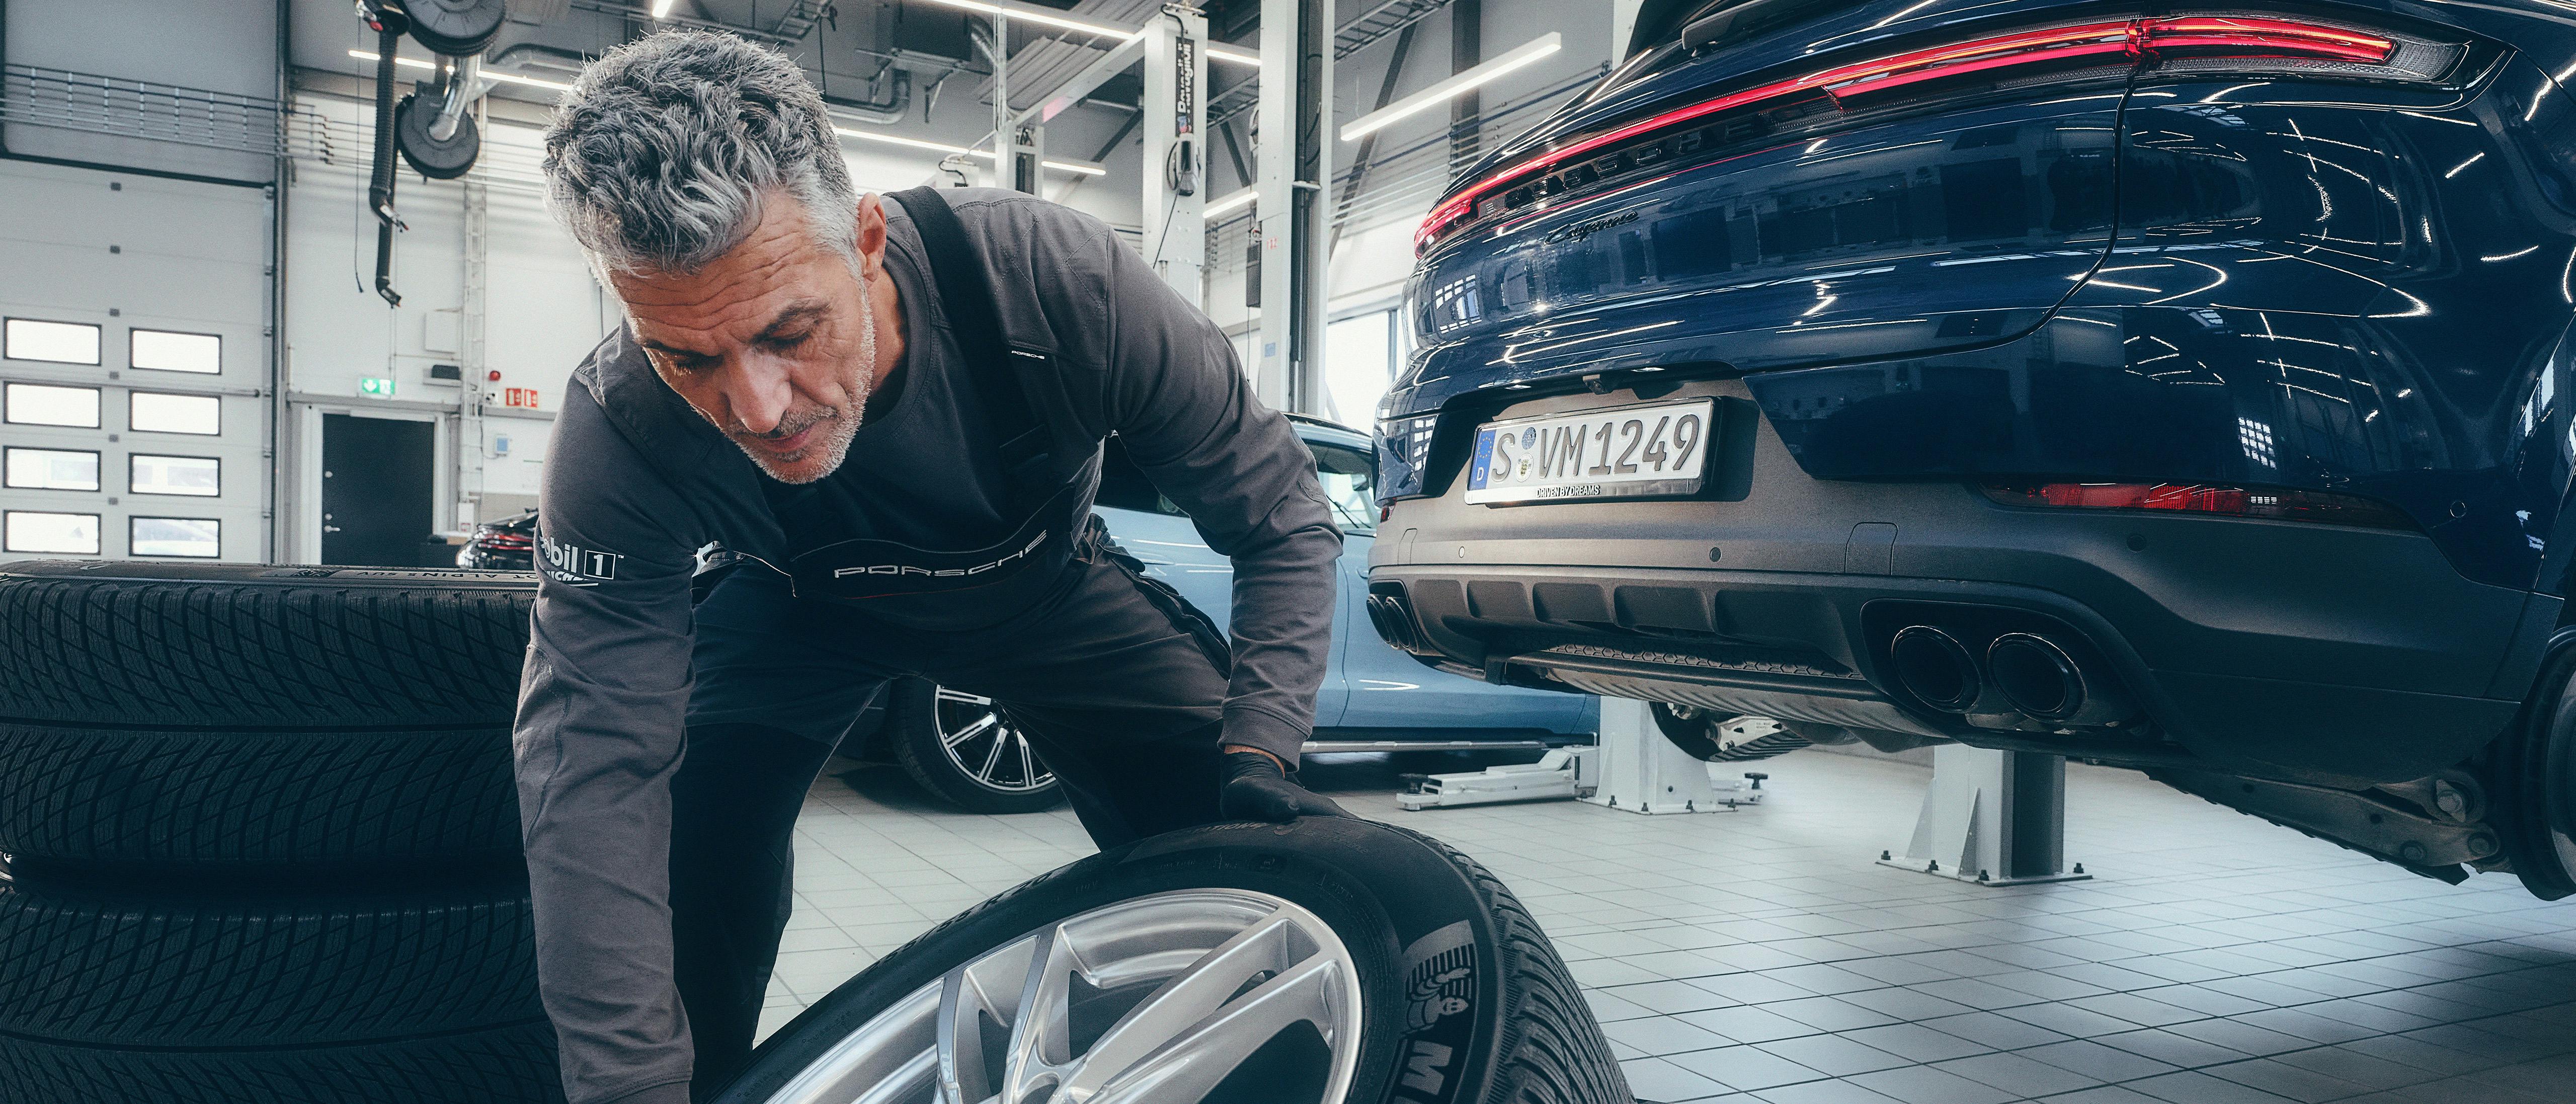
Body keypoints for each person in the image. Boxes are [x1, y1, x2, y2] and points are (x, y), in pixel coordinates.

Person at [517, 29, 1348, 1104]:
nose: (758, 407)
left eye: (789, 330)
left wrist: (1267, 741)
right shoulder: (618, 428)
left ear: (865, 240)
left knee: (1263, 851)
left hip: (1045, 593)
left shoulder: (1056, 283)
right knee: (682, 855)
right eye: (690, 357)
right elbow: (589, 768)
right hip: (799, 612)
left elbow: (1281, 512)